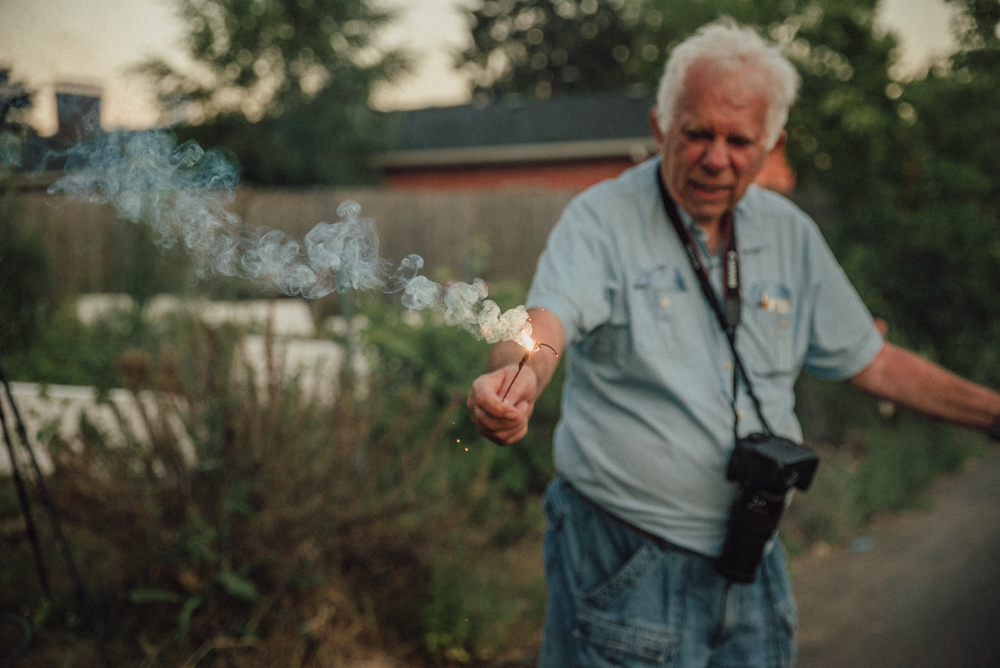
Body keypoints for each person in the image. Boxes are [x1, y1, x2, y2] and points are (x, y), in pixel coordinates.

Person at [466, 16, 1000, 668]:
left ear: (771, 145)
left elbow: (877, 363)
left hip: (754, 556)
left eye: (739, 140)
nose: (716, 158)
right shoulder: (601, 219)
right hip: (624, 556)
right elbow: (543, 323)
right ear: (661, 126)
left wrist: (993, 413)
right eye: (697, 133)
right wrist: (518, 374)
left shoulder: (790, 234)